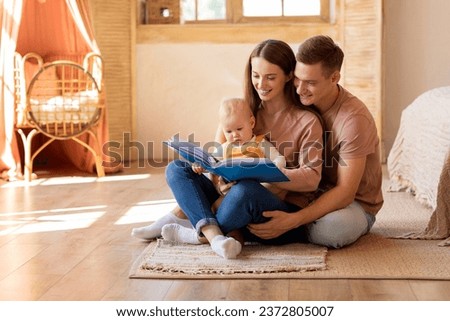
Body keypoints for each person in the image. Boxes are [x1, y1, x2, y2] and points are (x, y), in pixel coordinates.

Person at [133, 39, 324, 259]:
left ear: (289, 75)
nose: (261, 84)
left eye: (271, 77)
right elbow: (216, 160)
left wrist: (260, 174)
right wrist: (218, 180)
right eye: (256, 75)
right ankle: (214, 235)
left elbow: (311, 180)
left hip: (272, 208)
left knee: (246, 191)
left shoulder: (308, 121)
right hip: (227, 198)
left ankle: (193, 228)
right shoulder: (241, 113)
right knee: (177, 168)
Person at [248, 35, 384, 248]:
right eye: (297, 79)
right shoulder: (302, 98)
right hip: (308, 192)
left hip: (353, 203)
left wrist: (293, 220)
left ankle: (287, 228)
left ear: (334, 78)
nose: (300, 89)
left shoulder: (353, 119)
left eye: (310, 83)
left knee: (332, 231)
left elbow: (346, 192)